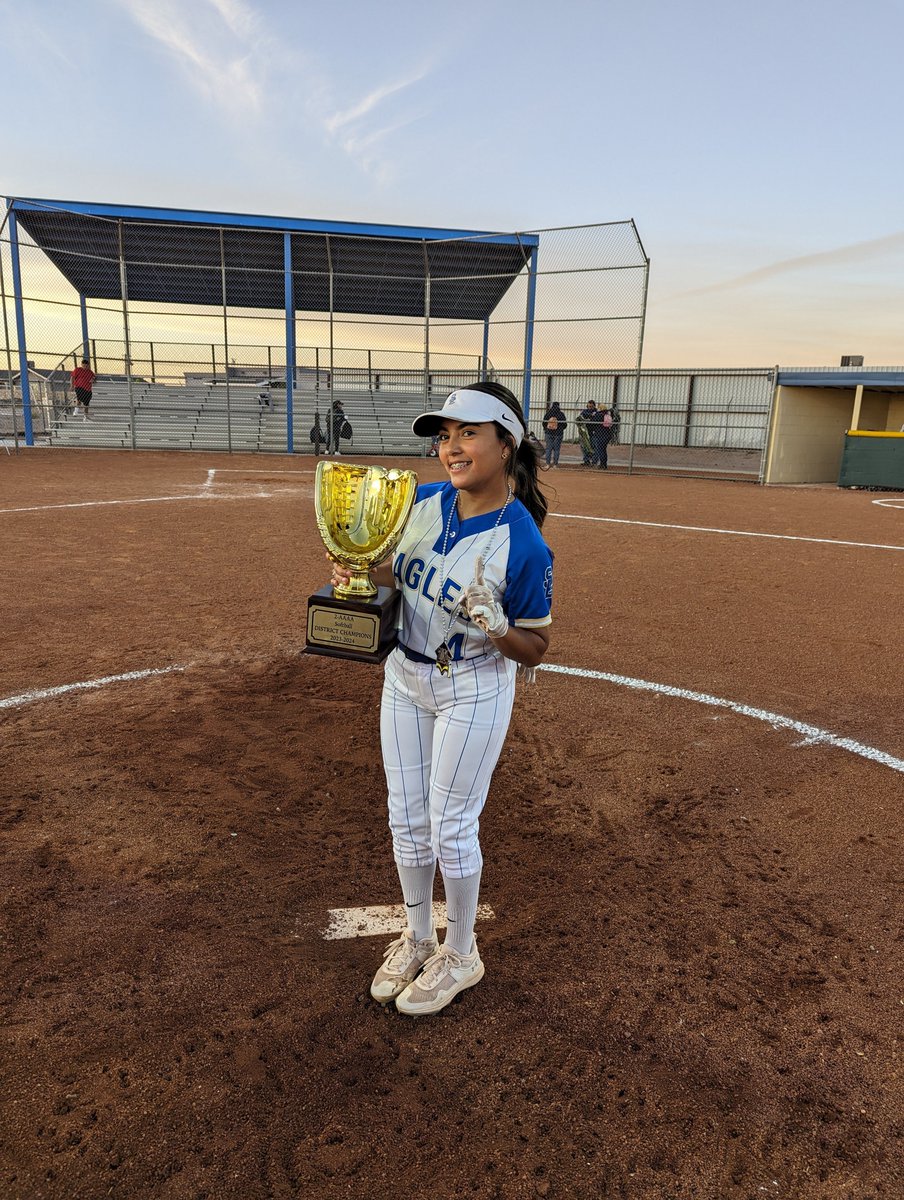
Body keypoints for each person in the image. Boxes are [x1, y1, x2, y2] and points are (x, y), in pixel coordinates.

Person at [328, 381, 554, 1015]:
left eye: (468, 433)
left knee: (451, 826)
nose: (451, 447)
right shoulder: (423, 501)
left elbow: (536, 647)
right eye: (444, 435)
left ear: (505, 444)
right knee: (407, 819)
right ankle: (420, 937)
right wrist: (354, 567)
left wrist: (498, 624)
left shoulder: (523, 543)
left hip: (473, 686)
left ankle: (463, 951)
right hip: (404, 675)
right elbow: (385, 573)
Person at [541, 400, 567, 468]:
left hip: (549, 433)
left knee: (548, 449)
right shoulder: (561, 414)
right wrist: (560, 429)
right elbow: (565, 425)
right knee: (556, 449)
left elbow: (544, 423)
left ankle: (547, 464)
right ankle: (555, 464)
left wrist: (546, 429)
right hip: (558, 434)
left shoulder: (548, 413)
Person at [576, 399, 600, 466]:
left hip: (593, 433)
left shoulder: (597, 412)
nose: (590, 408)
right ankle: (586, 460)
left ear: (594, 406)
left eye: (591, 406)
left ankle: (594, 461)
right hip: (585, 433)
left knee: (594, 447)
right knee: (584, 447)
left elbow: (596, 418)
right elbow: (582, 416)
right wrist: (590, 415)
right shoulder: (585, 411)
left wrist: (591, 416)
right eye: (589, 406)